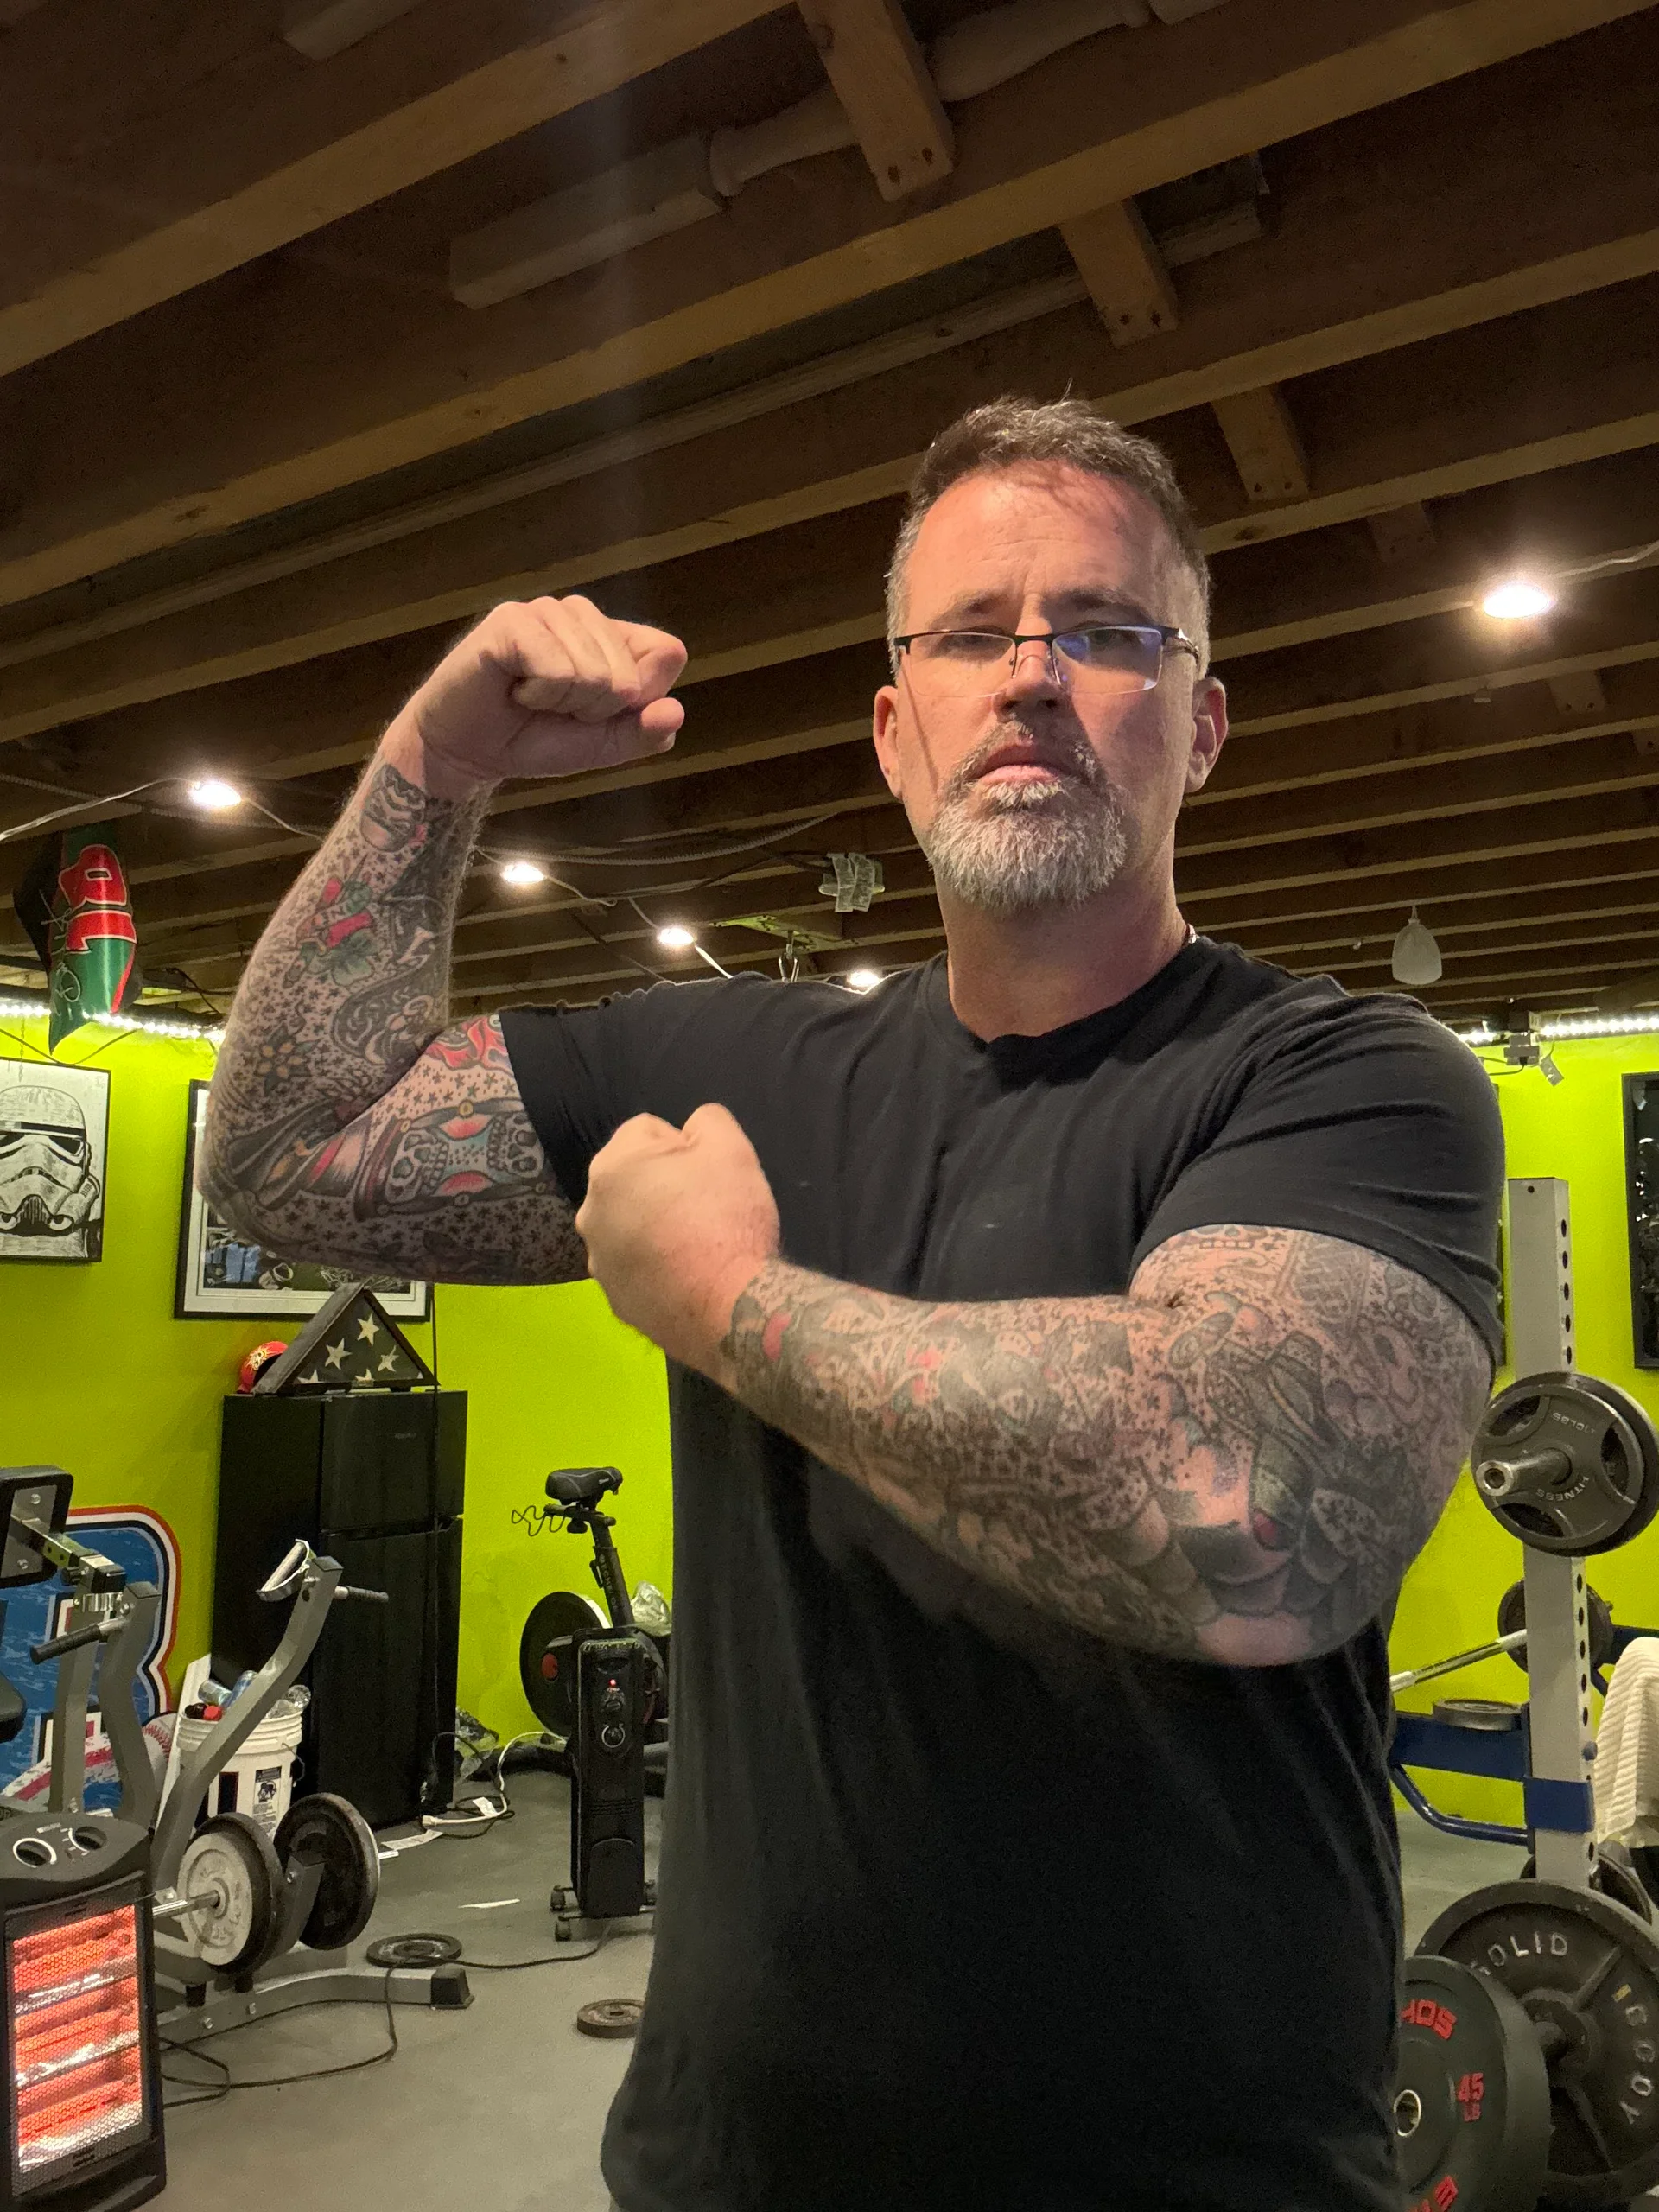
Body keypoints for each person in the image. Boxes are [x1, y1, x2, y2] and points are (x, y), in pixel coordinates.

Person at [201, 397, 1503, 2212]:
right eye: (970, 633)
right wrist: (433, 766)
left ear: (1199, 725)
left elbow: (1251, 1511)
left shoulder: (1344, 1078)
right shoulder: (723, 1065)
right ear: (897, 736)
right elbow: (288, 1157)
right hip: (729, 2167)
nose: (1030, 674)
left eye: (1105, 630)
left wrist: (728, 1302)